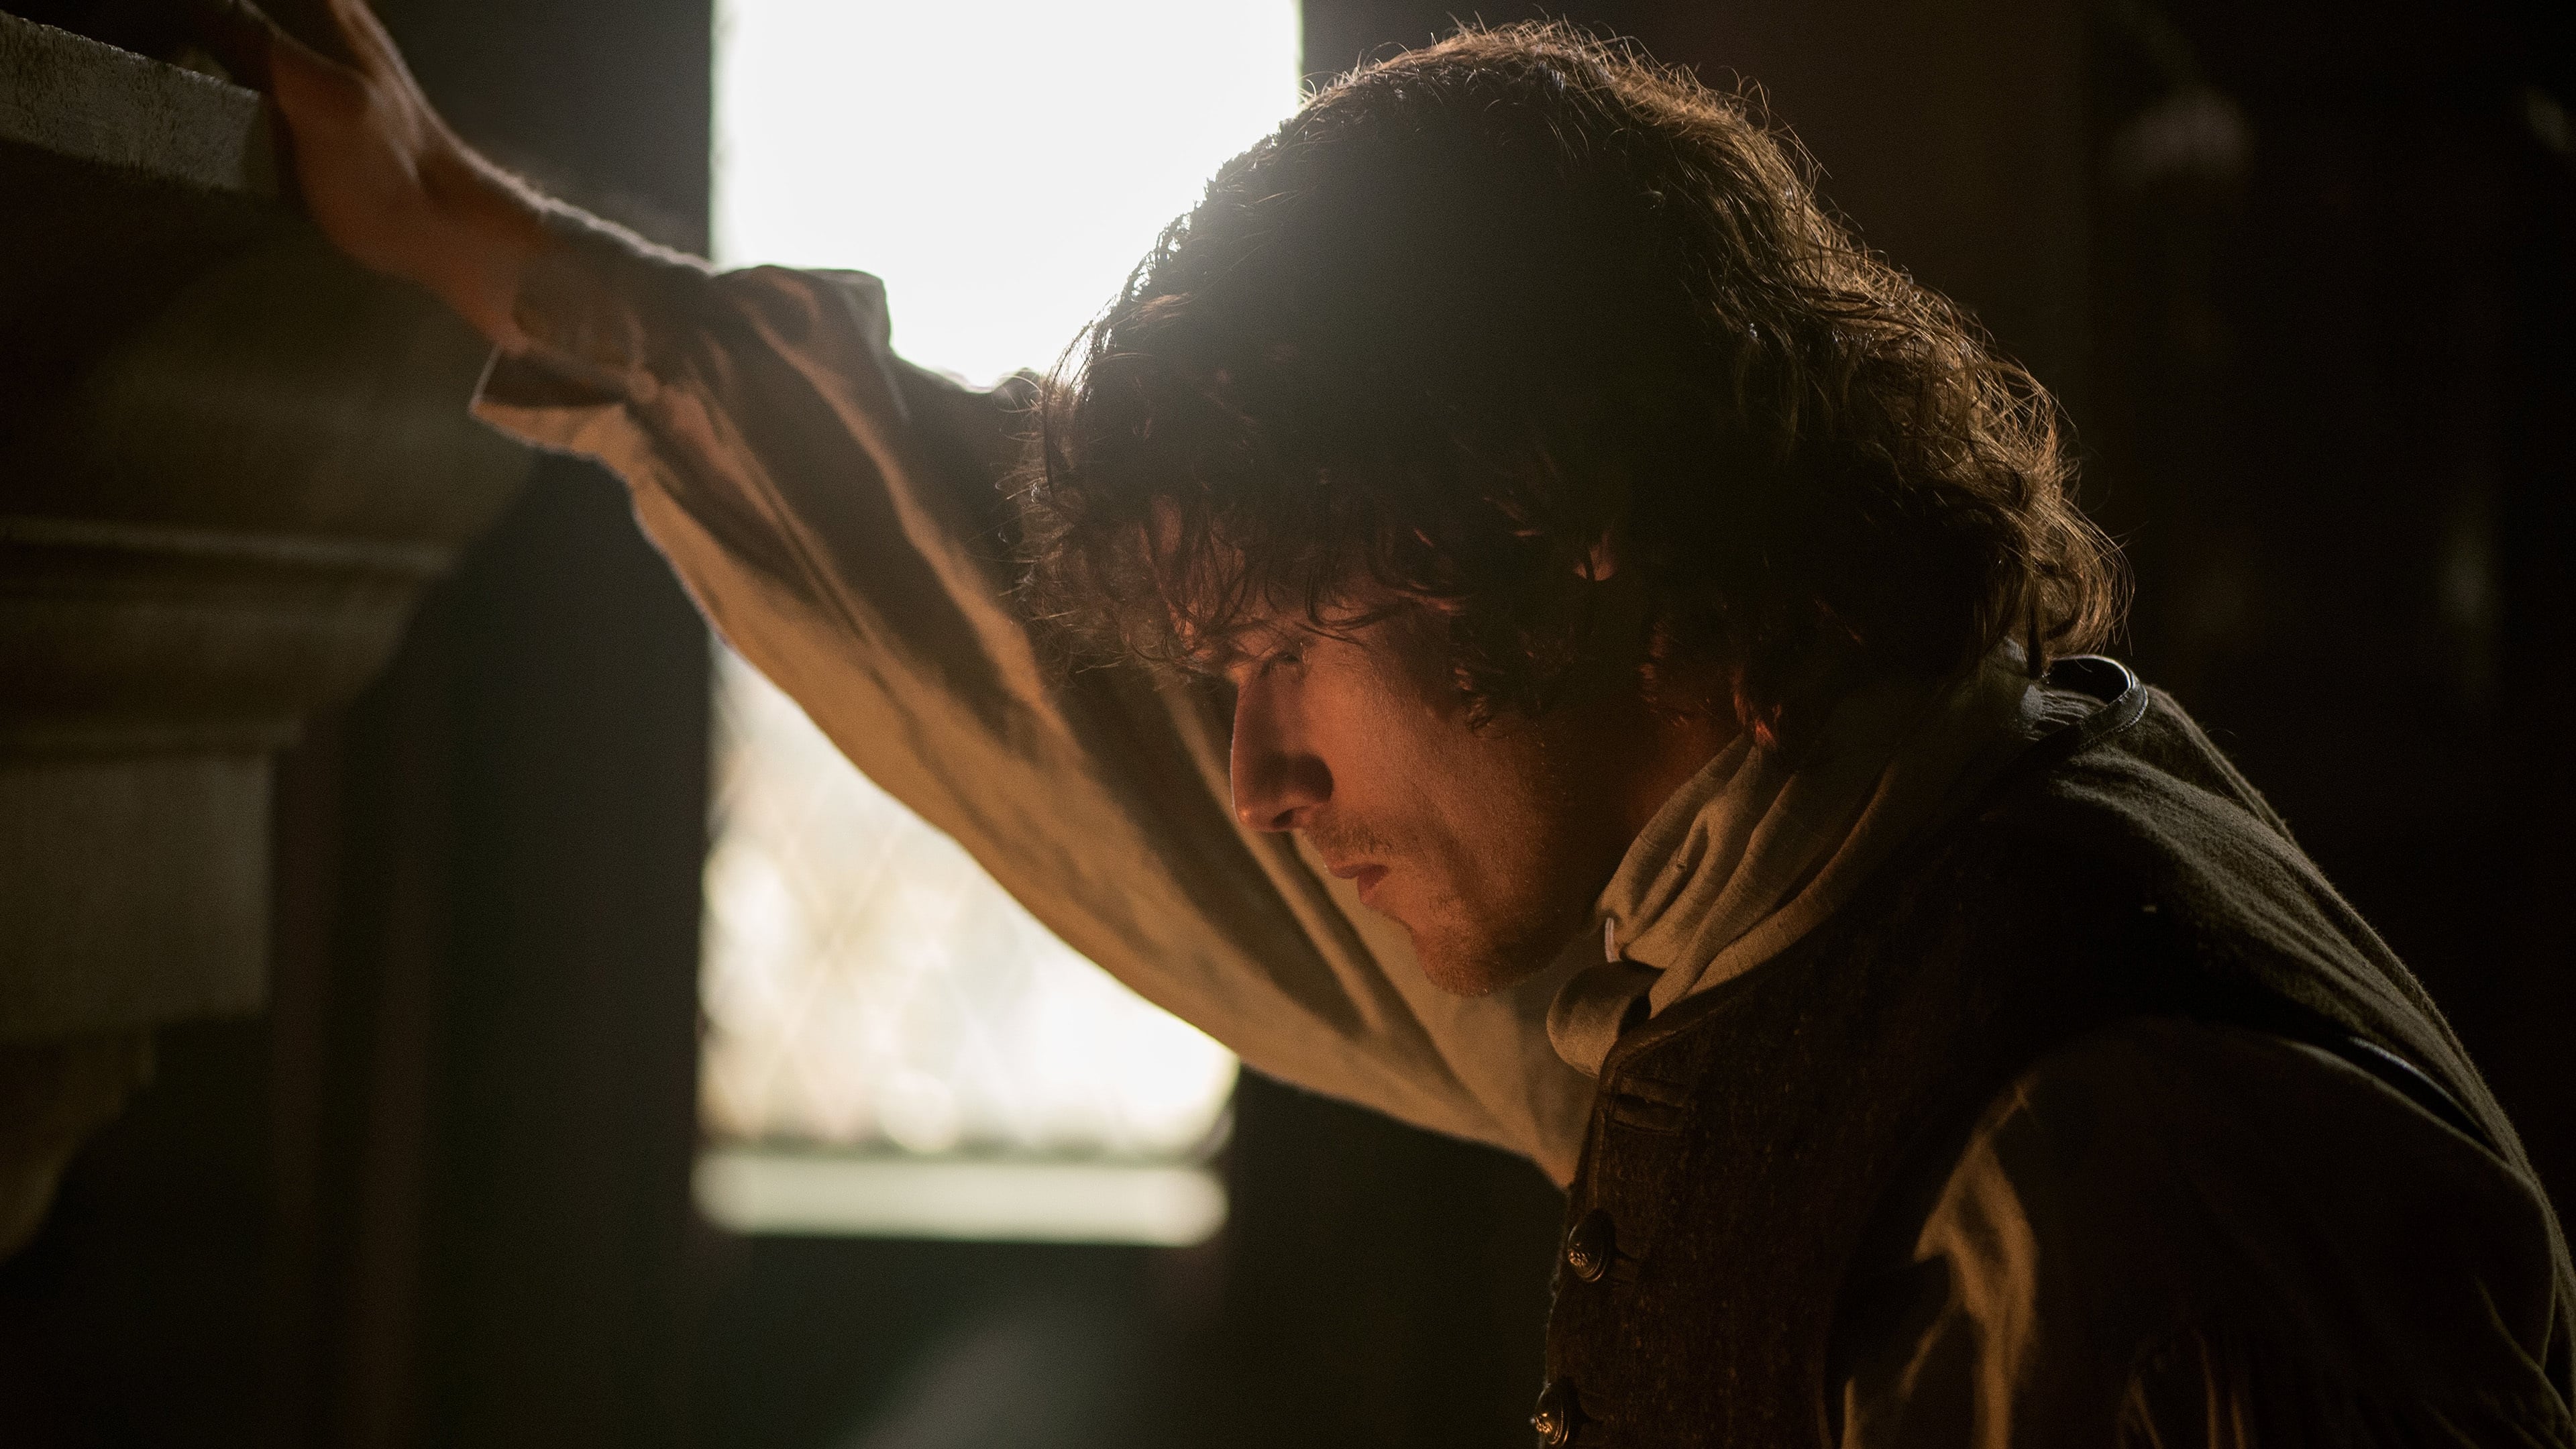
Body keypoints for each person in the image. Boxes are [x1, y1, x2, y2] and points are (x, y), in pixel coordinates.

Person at [198, 3, 2576, 1444]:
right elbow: (1024, 648)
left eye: (1280, 660)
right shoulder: (1763, 889)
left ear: (1571, 529)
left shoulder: (2113, 1169)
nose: (1249, 776)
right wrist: (459, 228)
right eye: (1219, 673)